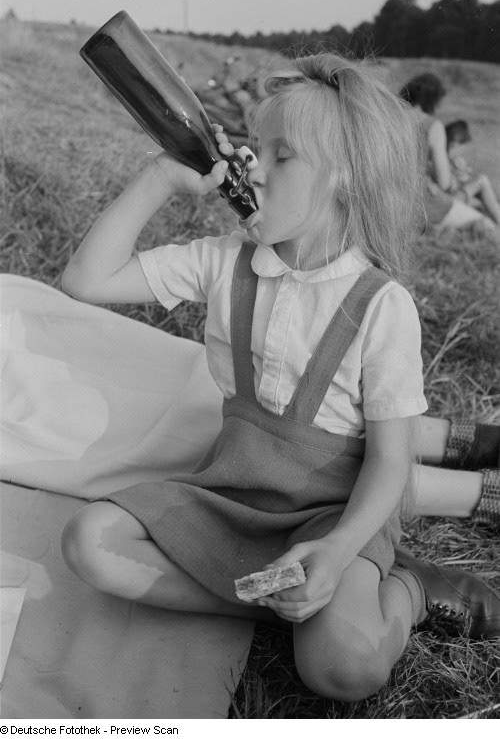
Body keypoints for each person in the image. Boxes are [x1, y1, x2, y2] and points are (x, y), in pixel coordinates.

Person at [60, 53, 500, 703]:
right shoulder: (223, 263)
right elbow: (84, 282)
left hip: (331, 515)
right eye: (253, 145)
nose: (253, 167)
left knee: (344, 669)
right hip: (233, 498)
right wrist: (158, 179)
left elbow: (388, 462)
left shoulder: (381, 306)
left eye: (282, 156)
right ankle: (275, 604)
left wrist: (344, 546)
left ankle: (411, 589)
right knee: (88, 544)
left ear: (344, 179)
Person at [399, 74, 499, 238]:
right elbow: (444, 183)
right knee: (487, 225)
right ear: (432, 99)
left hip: (394, 208)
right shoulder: (432, 126)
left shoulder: (389, 119)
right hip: (426, 207)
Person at [445, 119, 500, 225]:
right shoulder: (443, 159)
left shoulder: (447, 158)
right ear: (454, 145)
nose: (460, 154)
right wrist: (460, 175)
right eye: (460, 150)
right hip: (447, 203)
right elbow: (447, 187)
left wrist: (463, 174)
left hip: (451, 200)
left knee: (483, 201)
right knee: (482, 180)